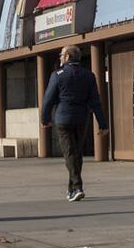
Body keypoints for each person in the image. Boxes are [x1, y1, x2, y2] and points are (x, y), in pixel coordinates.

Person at [39, 45, 108, 202]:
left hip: (63, 119)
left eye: (62, 55)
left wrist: (45, 119)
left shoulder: (57, 75)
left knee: (70, 153)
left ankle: (77, 187)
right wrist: (102, 124)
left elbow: (48, 99)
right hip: (81, 119)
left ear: (68, 57)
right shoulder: (89, 75)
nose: (60, 57)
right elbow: (96, 102)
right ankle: (72, 190)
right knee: (76, 153)